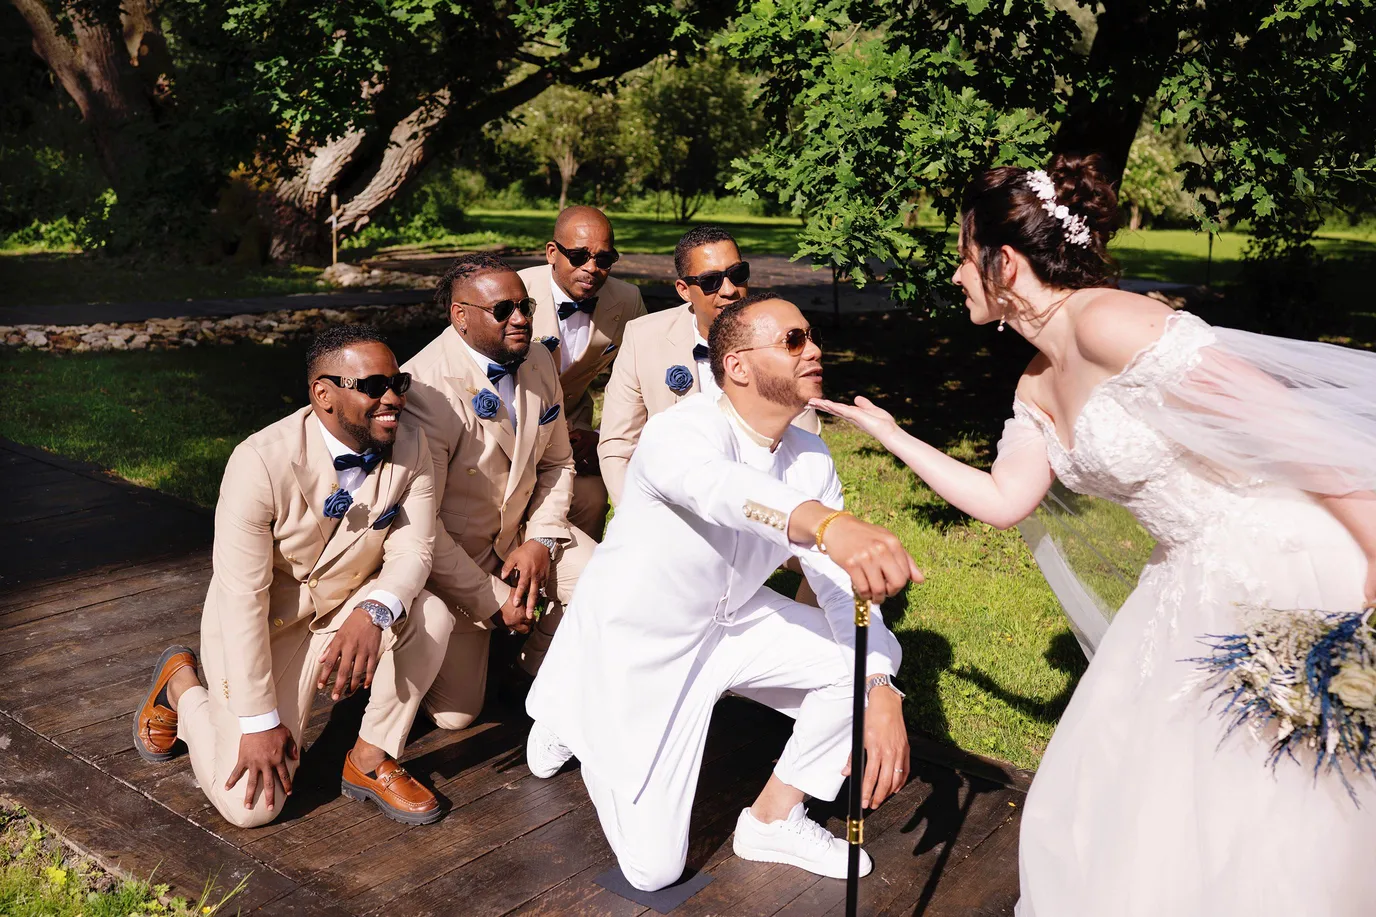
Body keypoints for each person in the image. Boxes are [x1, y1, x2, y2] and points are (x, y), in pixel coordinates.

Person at [816, 154, 1376, 917]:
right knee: (1136, 798)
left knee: (1282, 794)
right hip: (1182, 583)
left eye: (963, 257)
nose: (955, 275)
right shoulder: (1035, 382)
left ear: (1004, 262)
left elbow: (1289, 426)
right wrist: (893, 435)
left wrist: (1372, 545)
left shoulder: (1111, 320)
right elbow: (1003, 499)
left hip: (1276, 561)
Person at [526, 292, 921, 892]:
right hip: (637, 645)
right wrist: (827, 525)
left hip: (733, 622)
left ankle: (773, 820)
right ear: (736, 365)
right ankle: (572, 716)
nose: (814, 350)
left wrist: (879, 688)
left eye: (812, 336)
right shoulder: (677, 432)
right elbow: (722, 489)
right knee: (654, 871)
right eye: (793, 340)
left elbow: (838, 587)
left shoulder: (811, 454)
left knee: (873, 656)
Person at [133, 325, 453, 828]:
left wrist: (373, 611)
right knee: (251, 810)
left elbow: (414, 549)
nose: (393, 398)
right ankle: (182, 688)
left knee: (430, 613)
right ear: (323, 394)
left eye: (399, 383)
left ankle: (370, 758)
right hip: (265, 628)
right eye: (374, 387)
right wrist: (260, 722)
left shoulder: (413, 443)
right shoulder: (259, 461)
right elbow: (242, 599)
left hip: (347, 606)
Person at [402, 253, 594, 730]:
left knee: (604, 582)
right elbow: (421, 528)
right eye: (503, 310)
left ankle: (529, 671)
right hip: (456, 559)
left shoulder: (539, 358)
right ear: (460, 315)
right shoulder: (422, 389)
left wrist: (541, 539)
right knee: (456, 716)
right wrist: (492, 599)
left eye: (525, 306)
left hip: (522, 532)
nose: (521, 319)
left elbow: (557, 463)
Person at [598, 225, 820, 508]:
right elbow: (618, 445)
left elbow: (806, 448)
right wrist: (639, 514)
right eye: (710, 281)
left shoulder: (783, 336)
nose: (729, 290)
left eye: (737, 274)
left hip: (766, 503)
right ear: (684, 290)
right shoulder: (643, 338)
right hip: (673, 506)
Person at [519, 205, 646, 538]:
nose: (591, 268)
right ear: (552, 252)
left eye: (604, 259)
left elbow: (645, 380)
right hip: (509, 430)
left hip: (574, 431)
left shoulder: (627, 299)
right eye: (578, 256)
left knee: (592, 499)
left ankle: (579, 569)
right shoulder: (514, 291)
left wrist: (603, 436)